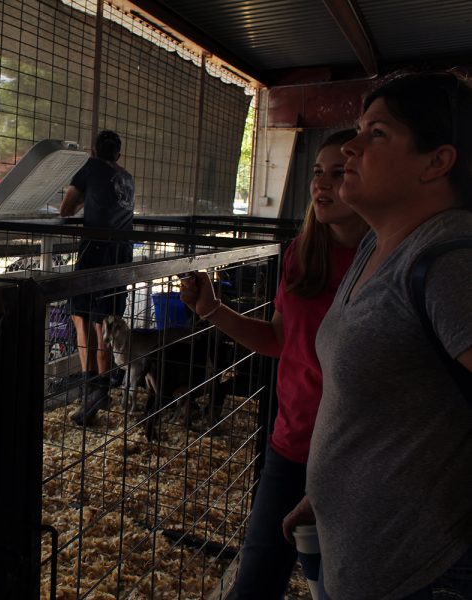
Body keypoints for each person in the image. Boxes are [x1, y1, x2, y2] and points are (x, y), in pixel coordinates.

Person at [282, 71, 472, 599]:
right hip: (360, 559)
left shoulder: (450, 263)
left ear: (437, 161)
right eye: (359, 130)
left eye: (378, 134)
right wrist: (325, 493)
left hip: (423, 575)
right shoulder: (377, 244)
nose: (352, 147)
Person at [179, 129, 368, 599]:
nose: (322, 184)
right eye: (317, 174)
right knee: (257, 578)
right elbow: (280, 340)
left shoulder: (389, 260)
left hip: (360, 452)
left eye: (338, 173)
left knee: (344, 581)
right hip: (294, 440)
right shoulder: (302, 256)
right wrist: (212, 311)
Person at [59, 130, 135, 426]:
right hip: (122, 254)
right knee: (106, 318)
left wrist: (84, 198)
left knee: (80, 317)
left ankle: (91, 387)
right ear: (118, 155)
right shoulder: (127, 177)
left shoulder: (89, 168)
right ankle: (103, 387)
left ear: (93, 150)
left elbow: (66, 209)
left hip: (95, 250)